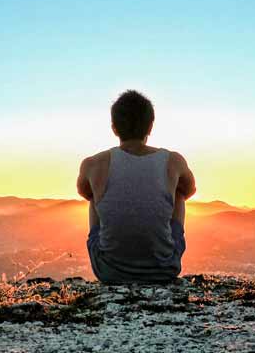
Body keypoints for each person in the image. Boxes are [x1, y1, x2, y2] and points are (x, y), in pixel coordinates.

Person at [76, 89, 196, 284]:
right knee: (178, 192)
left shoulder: (93, 164)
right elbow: (189, 190)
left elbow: (83, 191)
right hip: (165, 270)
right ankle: (160, 254)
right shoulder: (173, 161)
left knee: (94, 195)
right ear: (150, 127)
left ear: (114, 128)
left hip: (108, 272)